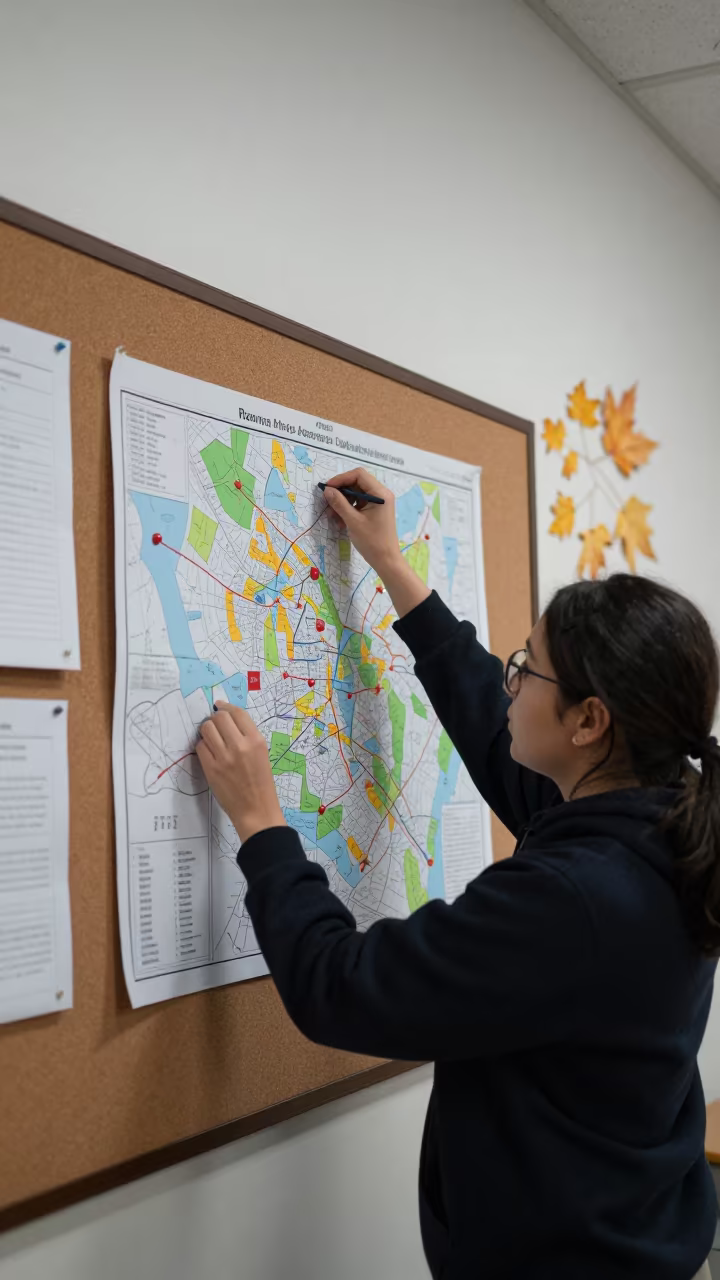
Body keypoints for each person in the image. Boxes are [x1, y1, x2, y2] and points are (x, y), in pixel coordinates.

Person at [197, 466, 720, 1280]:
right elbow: (493, 729)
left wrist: (262, 824)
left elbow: (341, 987)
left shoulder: (574, 899)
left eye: (528, 669)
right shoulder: (663, 815)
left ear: (589, 722)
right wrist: (393, 567)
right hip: (630, 1230)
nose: (510, 682)